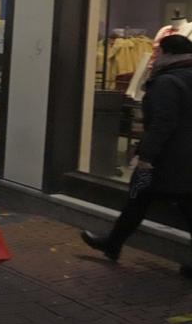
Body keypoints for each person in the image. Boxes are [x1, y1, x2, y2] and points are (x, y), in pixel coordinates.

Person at [82, 34, 192, 279]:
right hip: (183, 162)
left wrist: (146, 156)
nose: (155, 57)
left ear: (169, 53)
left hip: (166, 160)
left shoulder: (167, 82)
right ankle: (111, 244)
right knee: (151, 201)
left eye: (158, 52)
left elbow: (162, 123)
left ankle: (111, 244)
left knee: (140, 197)